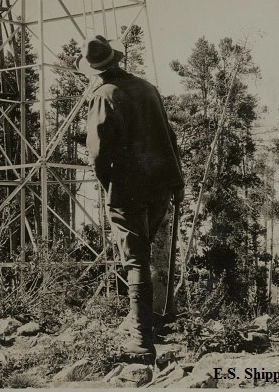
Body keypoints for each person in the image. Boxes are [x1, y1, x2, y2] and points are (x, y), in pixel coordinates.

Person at [81, 34, 184, 361]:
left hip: (130, 187)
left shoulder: (103, 94)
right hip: (161, 185)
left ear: (95, 69)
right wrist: (177, 182)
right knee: (143, 250)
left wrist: (108, 181)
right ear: (117, 59)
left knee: (135, 258)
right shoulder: (148, 88)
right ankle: (137, 319)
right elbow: (171, 136)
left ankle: (141, 341)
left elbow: (98, 155)